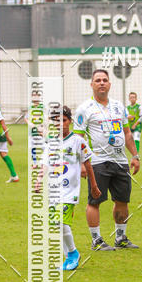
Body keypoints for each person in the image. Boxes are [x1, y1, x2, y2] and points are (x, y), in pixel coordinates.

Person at [73, 69, 140, 250]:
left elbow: (127, 133)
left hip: (120, 161)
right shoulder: (84, 109)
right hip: (97, 162)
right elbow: (77, 139)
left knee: (122, 200)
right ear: (92, 84)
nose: (101, 83)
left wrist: (134, 155)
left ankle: (121, 237)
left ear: (109, 84)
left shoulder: (119, 106)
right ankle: (97, 240)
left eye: (104, 80)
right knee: (95, 201)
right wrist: (81, 163)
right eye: (98, 80)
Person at [41, 106, 101, 270]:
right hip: (54, 189)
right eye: (56, 120)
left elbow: (88, 163)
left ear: (70, 121)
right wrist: (39, 180)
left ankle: (73, 253)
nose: (60, 124)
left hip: (70, 191)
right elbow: (45, 163)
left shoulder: (78, 141)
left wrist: (94, 185)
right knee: (55, 223)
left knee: (60, 221)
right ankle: (69, 257)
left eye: (63, 120)